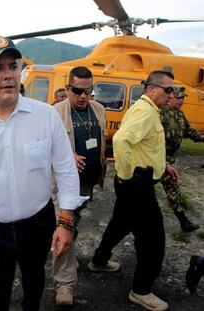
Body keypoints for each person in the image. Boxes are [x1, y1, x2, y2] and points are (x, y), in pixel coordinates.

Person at [0, 35, 85, 311]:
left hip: (37, 223)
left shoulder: (45, 116)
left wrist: (66, 221)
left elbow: (67, 170)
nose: (7, 75)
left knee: (33, 289)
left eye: (13, 66)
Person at [89, 71, 178, 311]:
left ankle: (98, 261)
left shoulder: (149, 110)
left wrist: (164, 165)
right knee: (153, 241)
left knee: (120, 223)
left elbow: (145, 145)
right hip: (138, 185)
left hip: (135, 181)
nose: (171, 95)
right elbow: (120, 141)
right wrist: (127, 176)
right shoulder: (144, 112)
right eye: (168, 90)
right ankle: (141, 291)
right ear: (152, 89)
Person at [52, 66, 112, 306]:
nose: (83, 96)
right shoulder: (54, 114)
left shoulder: (98, 110)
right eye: (77, 91)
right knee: (63, 226)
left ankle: (67, 251)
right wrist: (67, 156)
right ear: (68, 89)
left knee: (73, 223)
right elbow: (39, 149)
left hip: (88, 182)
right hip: (64, 186)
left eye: (88, 91)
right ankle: (64, 284)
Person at [160, 86, 203, 232]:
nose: (181, 101)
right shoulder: (160, 113)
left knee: (173, 189)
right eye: (179, 98)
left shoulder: (180, 115)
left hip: (169, 160)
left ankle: (183, 221)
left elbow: (190, 133)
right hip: (156, 158)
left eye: (183, 98)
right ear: (171, 97)